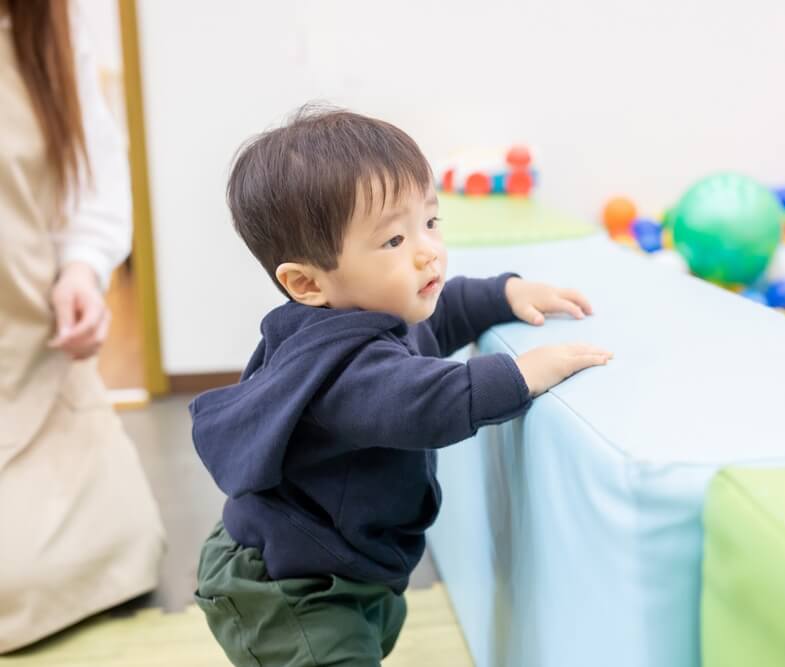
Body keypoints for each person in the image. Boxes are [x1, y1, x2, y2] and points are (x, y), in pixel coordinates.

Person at [191, 106, 613, 666]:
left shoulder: (378, 312)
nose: (426, 249)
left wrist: (503, 294)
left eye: (431, 222)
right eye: (393, 239)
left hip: (345, 565)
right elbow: (425, 402)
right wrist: (523, 373)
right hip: (289, 589)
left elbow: (438, 319)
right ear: (307, 283)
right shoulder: (339, 368)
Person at [0, 0, 164, 653]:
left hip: (26, 351)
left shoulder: (49, 27)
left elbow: (91, 178)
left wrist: (81, 271)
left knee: (119, 545)